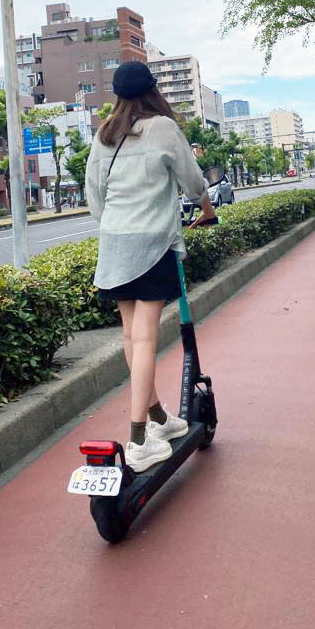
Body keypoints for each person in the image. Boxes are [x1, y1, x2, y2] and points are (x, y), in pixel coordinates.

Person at [85, 61, 216, 473]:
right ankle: (139, 438)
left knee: (130, 335)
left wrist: (116, 223)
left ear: (117, 94)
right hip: (152, 243)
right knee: (144, 340)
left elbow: (95, 197)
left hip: (114, 243)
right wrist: (206, 205)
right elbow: (193, 182)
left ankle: (160, 417)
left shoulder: (103, 134)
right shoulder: (162, 127)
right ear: (152, 90)